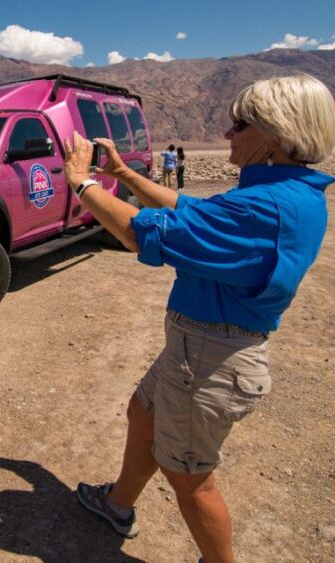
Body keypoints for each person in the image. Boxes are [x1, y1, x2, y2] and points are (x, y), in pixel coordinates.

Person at [63, 75, 335, 562]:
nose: (228, 135)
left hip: (209, 360)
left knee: (191, 480)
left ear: (273, 133)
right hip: (198, 350)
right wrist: (124, 174)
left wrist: (81, 182)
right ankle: (117, 504)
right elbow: (194, 211)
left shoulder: (263, 208)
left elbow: (136, 233)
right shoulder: (292, 194)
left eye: (239, 124)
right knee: (141, 414)